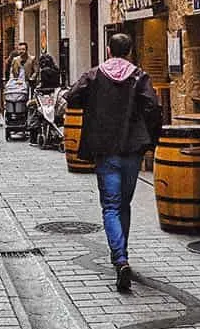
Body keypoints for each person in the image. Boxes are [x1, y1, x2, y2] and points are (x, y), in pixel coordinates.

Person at [65, 33, 162, 291]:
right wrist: (151, 136)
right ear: (130, 51)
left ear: (108, 50)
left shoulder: (95, 75)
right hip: (132, 149)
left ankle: (120, 259)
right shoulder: (139, 76)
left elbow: (72, 96)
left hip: (105, 149)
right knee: (124, 204)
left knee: (110, 205)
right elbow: (153, 106)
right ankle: (122, 254)